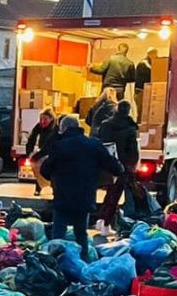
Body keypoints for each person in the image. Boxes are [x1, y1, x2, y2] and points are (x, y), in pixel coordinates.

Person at [38, 114, 126, 259]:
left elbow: (45, 170)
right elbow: (115, 167)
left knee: (58, 232)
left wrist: (55, 178)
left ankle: (54, 261)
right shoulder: (93, 145)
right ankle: (83, 261)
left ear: (63, 128)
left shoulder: (59, 146)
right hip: (84, 196)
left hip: (63, 196)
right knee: (81, 233)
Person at [96, 100, 141, 226]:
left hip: (106, 162)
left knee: (108, 191)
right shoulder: (130, 128)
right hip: (122, 165)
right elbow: (132, 150)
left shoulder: (105, 125)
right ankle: (106, 222)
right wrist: (132, 165)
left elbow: (99, 141)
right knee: (115, 194)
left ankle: (101, 218)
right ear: (128, 111)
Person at [25, 109, 57, 196]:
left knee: (53, 171)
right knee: (36, 167)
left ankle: (54, 188)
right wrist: (29, 153)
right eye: (41, 119)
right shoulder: (39, 126)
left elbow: (48, 146)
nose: (42, 122)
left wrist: (35, 157)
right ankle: (39, 187)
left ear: (51, 118)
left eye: (45, 119)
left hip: (53, 152)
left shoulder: (56, 129)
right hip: (42, 150)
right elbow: (31, 139)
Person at [132, 48, 157, 120]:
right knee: (142, 113)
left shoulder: (146, 64)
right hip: (141, 91)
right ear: (150, 54)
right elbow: (150, 76)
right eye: (155, 54)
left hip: (141, 91)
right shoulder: (144, 64)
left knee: (142, 113)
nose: (156, 56)